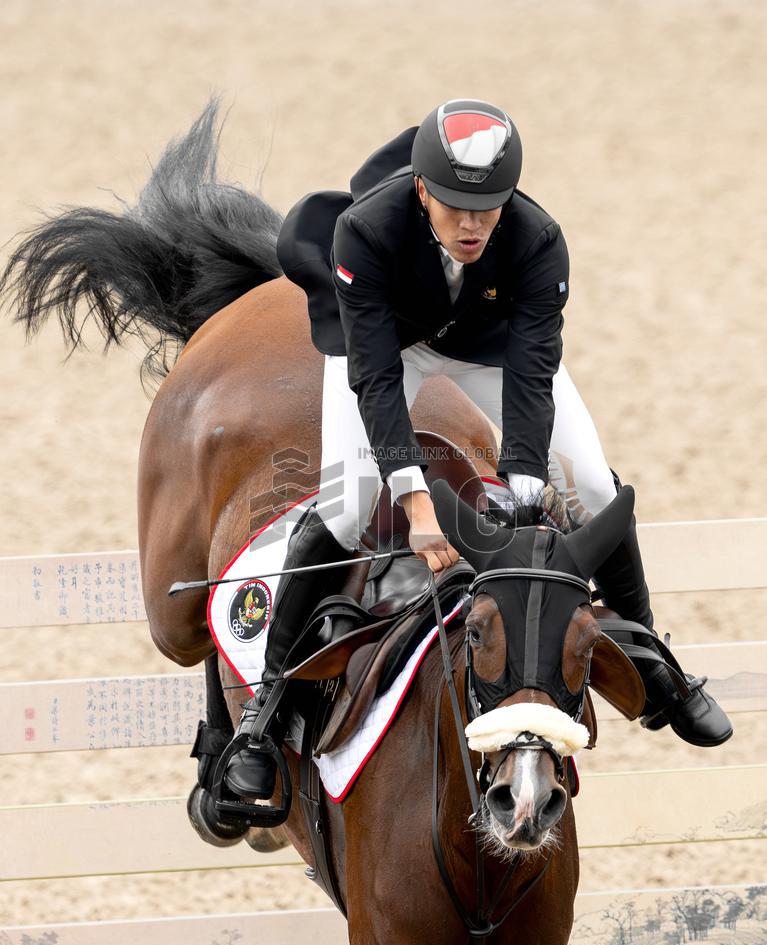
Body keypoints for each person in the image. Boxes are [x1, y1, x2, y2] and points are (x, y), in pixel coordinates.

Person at [222, 98, 731, 804]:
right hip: (389, 351)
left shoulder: (538, 238)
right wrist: (415, 501)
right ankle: (267, 708)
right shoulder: (364, 231)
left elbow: (531, 372)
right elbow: (374, 378)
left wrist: (523, 488)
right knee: (347, 507)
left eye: (487, 210)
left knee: (591, 484)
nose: (471, 226)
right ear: (421, 189)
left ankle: (653, 661)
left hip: (490, 352)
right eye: (455, 207)